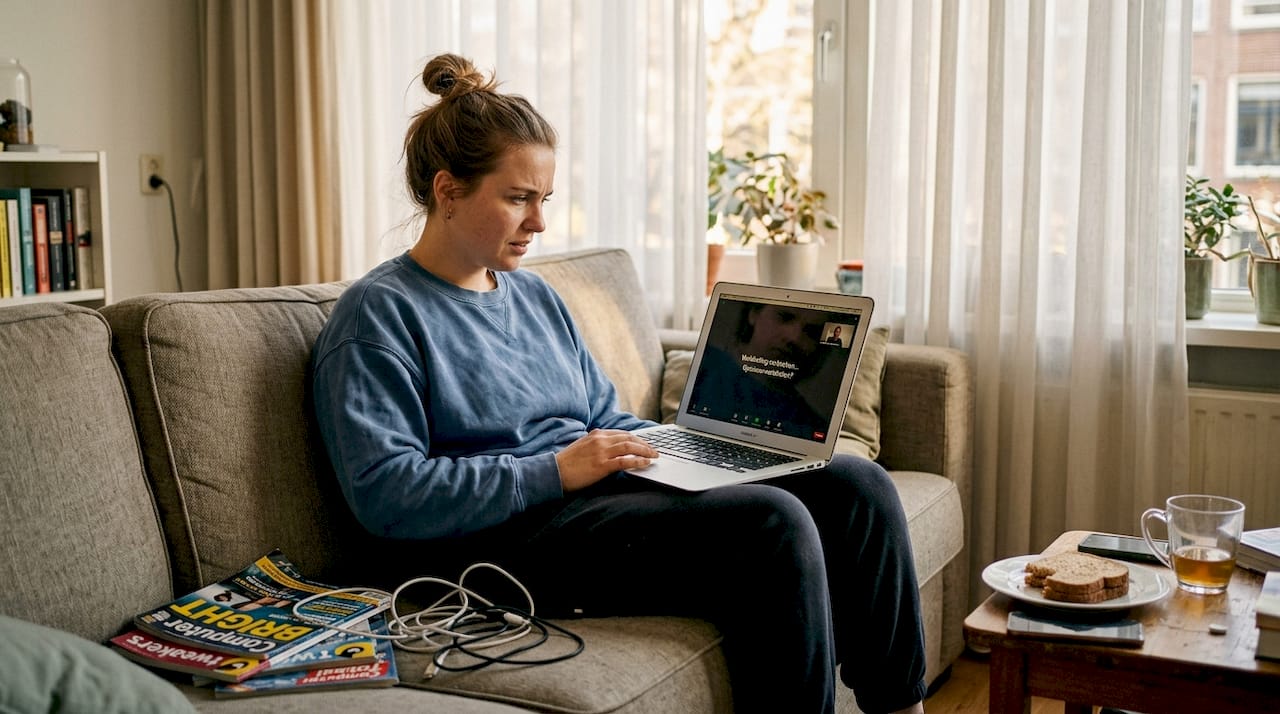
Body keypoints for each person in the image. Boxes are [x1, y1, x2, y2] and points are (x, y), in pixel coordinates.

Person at [310, 53, 926, 714]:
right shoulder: (378, 316)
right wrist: (555, 470)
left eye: (543, 199)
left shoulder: (533, 296)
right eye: (518, 198)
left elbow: (603, 415)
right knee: (770, 524)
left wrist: (692, 450)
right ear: (448, 190)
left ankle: (900, 706)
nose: (539, 222)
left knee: (853, 483)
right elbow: (387, 495)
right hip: (506, 540)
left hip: (594, 498)